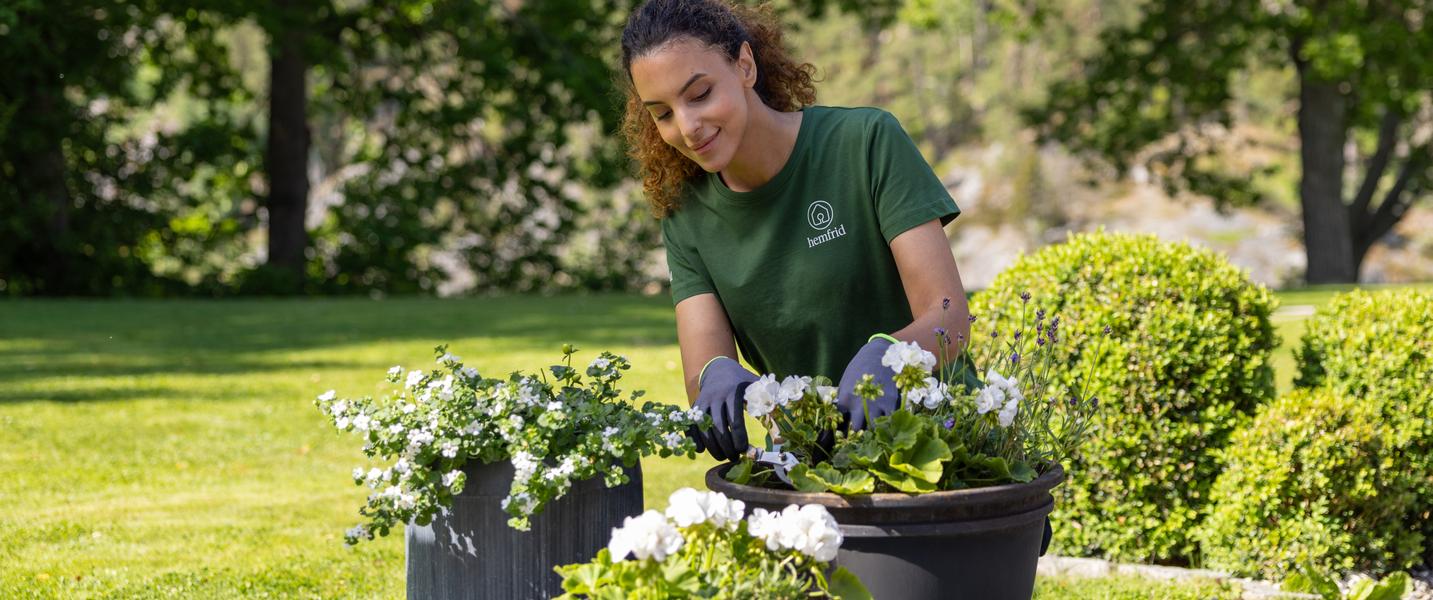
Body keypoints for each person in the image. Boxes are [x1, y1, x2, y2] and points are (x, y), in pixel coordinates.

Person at [618, 1, 1054, 555]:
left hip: (950, 462)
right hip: (816, 484)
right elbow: (705, 368)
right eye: (662, 113)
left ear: (745, 66)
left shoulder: (865, 142)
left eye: (700, 93)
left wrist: (888, 355)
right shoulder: (686, 215)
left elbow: (949, 316)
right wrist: (715, 378)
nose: (687, 126)